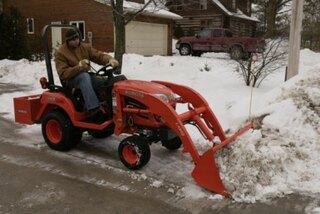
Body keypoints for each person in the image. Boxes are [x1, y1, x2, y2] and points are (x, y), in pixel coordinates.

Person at [54, 28, 118, 119]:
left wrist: (109, 59)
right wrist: (78, 67)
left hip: (86, 77)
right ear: (68, 41)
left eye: (77, 38)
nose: (76, 41)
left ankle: (112, 106)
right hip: (71, 80)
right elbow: (63, 73)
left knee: (104, 81)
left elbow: (98, 56)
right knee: (84, 77)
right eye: (73, 40)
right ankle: (94, 109)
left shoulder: (85, 47)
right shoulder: (61, 53)